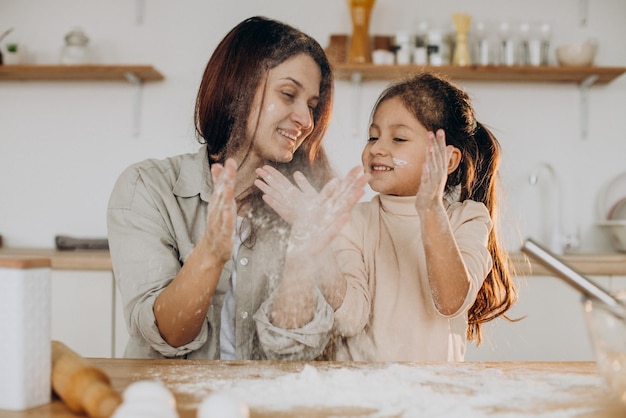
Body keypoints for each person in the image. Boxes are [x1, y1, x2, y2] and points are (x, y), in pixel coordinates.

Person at [107, 16, 368, 360]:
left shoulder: (307, 205)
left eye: (312, 106)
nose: (306, 121)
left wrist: (303, 252)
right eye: (288, 94)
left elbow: (290, 353)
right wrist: (212, 252)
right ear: (238, 85)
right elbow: (168, 335)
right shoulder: (149, 188)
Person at [329, 72, 518, 361]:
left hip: (435, 394)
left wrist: (430, 208)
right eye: (373, 136)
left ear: (448, 160)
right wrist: (315, 252)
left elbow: (451, 301)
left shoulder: (467, 219)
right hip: (361, 392)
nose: (377, 148)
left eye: (399, 138)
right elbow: (348, 319)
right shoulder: (353, 221)